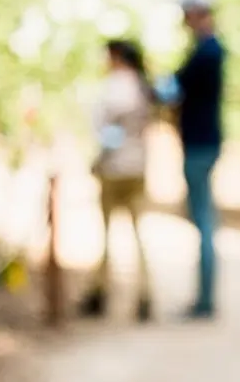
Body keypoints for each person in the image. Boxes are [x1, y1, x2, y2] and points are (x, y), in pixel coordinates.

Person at [77, 39, 155, 322]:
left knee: (107, 235)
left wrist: (98, 159)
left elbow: (108, 131)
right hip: (137, 168)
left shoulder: (114, 87)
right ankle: (145, 295)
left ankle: (100, 293)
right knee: (138, 235)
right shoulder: (144, 86)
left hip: (114, 169)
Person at [173, 0, 226, 320]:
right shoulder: (207, 50)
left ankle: (205, 300)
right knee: (203, 217)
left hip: (200, 144)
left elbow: (176, 87)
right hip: (202, 142)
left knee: (203, 219)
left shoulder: (208, 52)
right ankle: (204, 298)